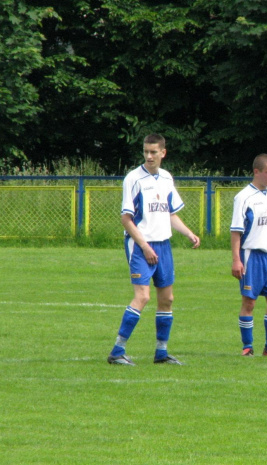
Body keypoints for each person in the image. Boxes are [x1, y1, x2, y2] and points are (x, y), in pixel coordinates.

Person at [107, 133, 200, 366]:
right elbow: (126, 219)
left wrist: (188, 233)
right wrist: (145, 246)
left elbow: (170, 213)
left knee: (167, 299)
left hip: (163, 245)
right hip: (140, 245)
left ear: (163, 153)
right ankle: (117, 351)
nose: (149, 156)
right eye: (146, 151)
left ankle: (161, 352)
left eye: (153, 152)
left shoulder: (167, 178)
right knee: (143, 296)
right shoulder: (133, 179)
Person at [230, 154, 267, 357]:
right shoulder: (243, 197)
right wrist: (236, 260)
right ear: (257, 172)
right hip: (251, 256)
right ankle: (247, 347)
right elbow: (236, 231)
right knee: (250, 302)